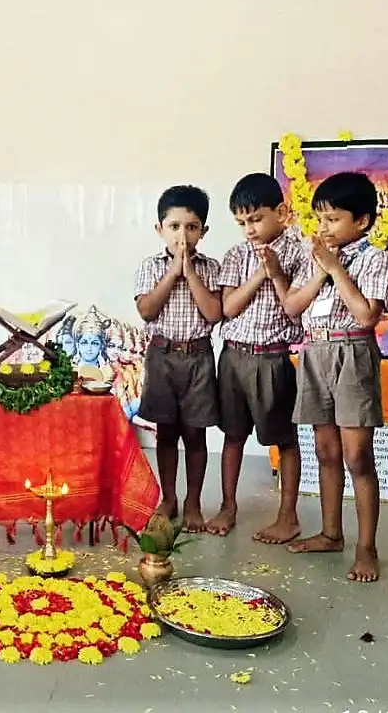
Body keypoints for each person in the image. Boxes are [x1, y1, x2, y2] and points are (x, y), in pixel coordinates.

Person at [282, 171, 388, 583]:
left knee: (357, 457)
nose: (324, 227)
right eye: (320, 219)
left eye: (333, 219)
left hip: (352, 352)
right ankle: (331, 533)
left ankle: (367, 547)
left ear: (362, 221)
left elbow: (367, 315)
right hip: (316, 352)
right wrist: (321, 270)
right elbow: (294, 307)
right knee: (326, 452)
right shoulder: (315, 256)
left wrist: (336, 267)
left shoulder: (376, 258)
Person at [215, 173, 309, 541]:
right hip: (234, 356)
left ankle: (288, 516)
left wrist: (277, 273)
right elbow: (228, 307)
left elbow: (295, 311)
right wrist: (262, 273)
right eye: (241, 223)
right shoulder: (237, 255)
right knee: (232, 435)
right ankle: (228, 506)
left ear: (282, 212)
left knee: (284, 439)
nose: (249, 230)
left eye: (255, 219)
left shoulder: (301, 253)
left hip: (273, 359)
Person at [134, 185, 222, 532]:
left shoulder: (211, 268)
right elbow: (146, 310)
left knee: (195, 435)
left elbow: (213, 313)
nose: (182, 235)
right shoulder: (150, 266)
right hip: (162, 356)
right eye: (174, 226)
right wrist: (173, 272)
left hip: (198, 357)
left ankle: (193, 502)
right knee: (166, 433)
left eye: (191, 226)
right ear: (160, 229)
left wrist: (190, 273)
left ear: (203, 231)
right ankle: (168, 498)